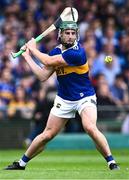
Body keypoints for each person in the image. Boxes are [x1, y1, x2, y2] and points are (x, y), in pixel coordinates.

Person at [4, 21, 119, 170]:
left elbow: (47, 60)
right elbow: (42, 75)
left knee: (89, 127)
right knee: (47, 135)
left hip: (84, 96)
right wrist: (27, 56)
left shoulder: (77, 53)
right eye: (67, 33)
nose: (70, 36)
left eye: (73, 33)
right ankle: (21, 163)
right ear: (61, 34)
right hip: (64, 99)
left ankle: (111, 162)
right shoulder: (55, 52)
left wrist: (32, 48)